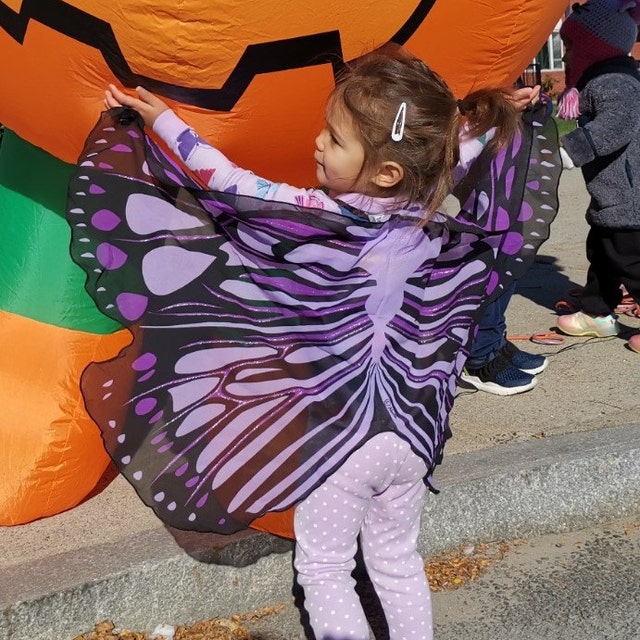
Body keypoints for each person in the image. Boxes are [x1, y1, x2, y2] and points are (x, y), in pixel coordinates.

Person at [75, 46, 558, 640]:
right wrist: (487, 124)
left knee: (326, 566)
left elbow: (224, 178)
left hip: (338, 441)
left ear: (384, 171)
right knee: (397, 561)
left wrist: (160, 121)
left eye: (334, 138)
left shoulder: (313, 210)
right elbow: (447, 160)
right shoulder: (429, 209)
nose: (318, 145)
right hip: (411, 438)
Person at [555, 0, 640, 354]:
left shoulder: (614, 81)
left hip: (628, 198)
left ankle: (600, 307)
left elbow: (615, 125)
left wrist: (571, 149)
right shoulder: (602, 77)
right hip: (612, 196)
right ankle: (596, 311)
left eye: (570, 46)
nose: (564, 55)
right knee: (602, 252)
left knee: (630, 260)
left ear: (593, 47)